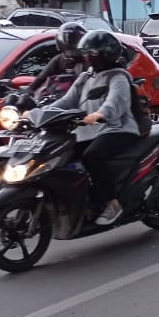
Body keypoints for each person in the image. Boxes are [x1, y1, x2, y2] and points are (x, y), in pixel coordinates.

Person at [50, 30, 139, 226]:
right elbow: (66, 102)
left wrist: (100, 114)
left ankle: (112, 204)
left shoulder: (118, 77)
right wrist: (41, 113)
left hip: (117, 129)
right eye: (86, 53)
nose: (87, 57)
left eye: (92, 53)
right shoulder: (85, 77)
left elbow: (116, 102)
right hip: (88, 131)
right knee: (58, 156)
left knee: (92, 156)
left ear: (105, 55)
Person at [29, 21, 88, 99]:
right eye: (67, 39)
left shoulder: (88, 60)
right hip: (59, 100)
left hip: (82, 99)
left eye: (74, 39)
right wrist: (27, 91)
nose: (70, 42)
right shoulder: (59, 59)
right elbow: (40, 78)